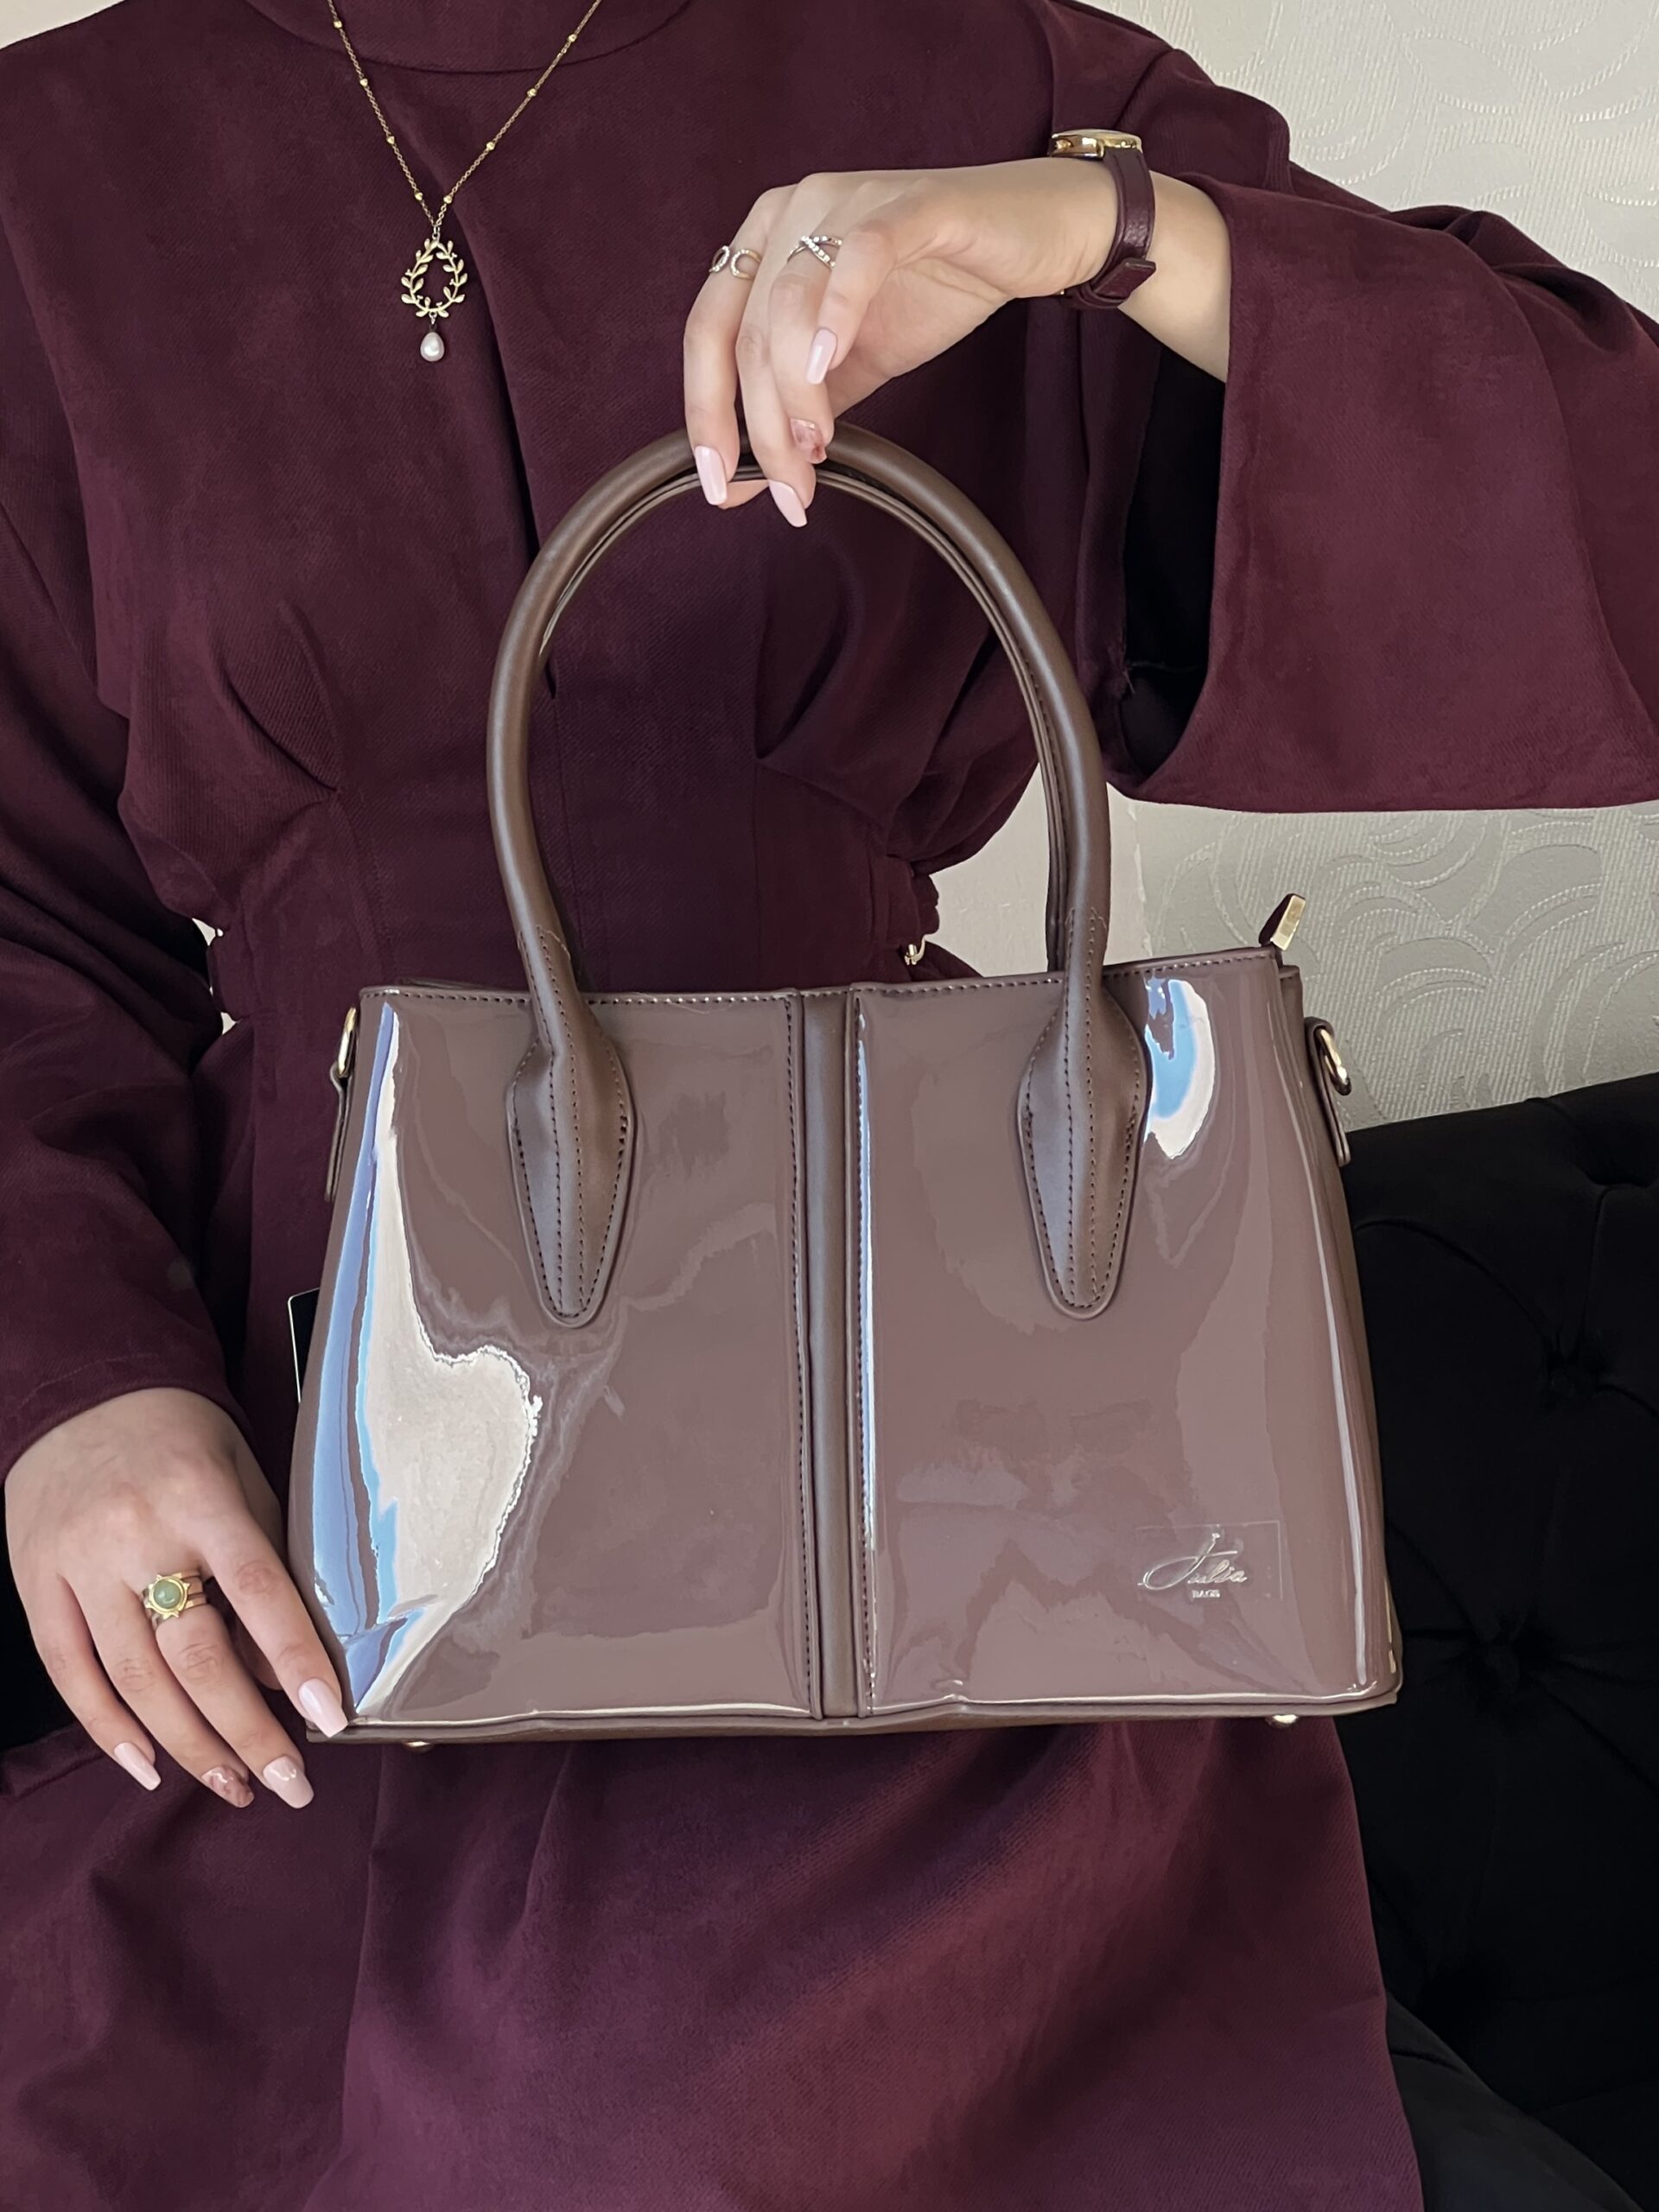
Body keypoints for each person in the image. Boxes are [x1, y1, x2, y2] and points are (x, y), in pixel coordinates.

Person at [1, 0, 1655, 2206]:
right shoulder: (52, 171)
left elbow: (1616, 526)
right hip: (315, 1470)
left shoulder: (969, 75)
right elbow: (22, 926)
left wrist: (1096, 229)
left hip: (918, 1442)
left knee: (641, 2098)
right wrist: (73, 1382)